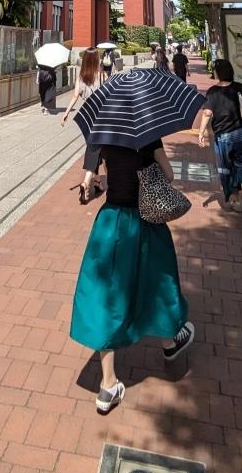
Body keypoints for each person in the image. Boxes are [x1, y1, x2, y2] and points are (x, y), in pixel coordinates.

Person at [70, 138, 194, 413]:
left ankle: (108, 385)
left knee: (106, 296)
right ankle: (169, 342)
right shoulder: (149, 132)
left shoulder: (103, 133)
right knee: (156, 284)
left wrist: (101, 182)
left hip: (112, 224)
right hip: (146, 223)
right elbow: (169, 175)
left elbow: (93, 183)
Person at [196, 58, 242, 226]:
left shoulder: (213, 92)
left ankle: (233, 199)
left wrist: (201, 132)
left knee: (229, 169)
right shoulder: (239, 87)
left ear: (218, 72)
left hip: (224, 138)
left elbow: (207, 113)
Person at [61, 48, 105, 203]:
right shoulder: (101, 74)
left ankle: (97, 181)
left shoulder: (81, 75)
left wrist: (66, 112)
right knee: (95, 147)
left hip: (87, 114)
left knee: (95, 146)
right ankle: (86, 181)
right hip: (100, 114)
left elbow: (75, 95)